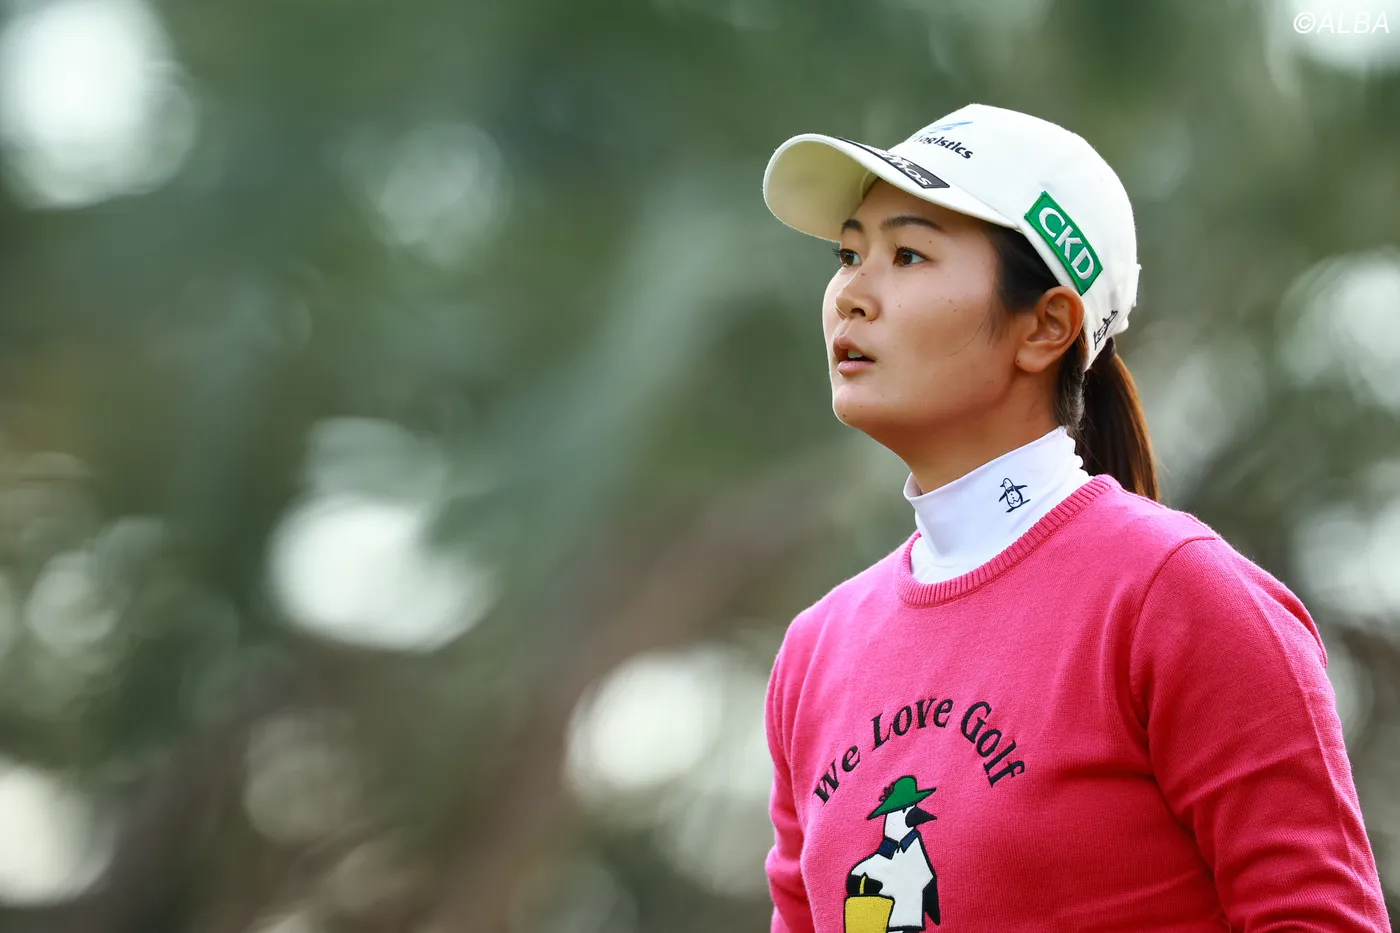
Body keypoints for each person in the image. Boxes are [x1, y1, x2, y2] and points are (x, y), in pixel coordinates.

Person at [759, 102, 1391, 932]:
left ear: (1046, 326)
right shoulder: (814, 653)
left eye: (908, 255)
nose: (850, 295)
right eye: (849, 255)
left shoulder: (1177, 597)